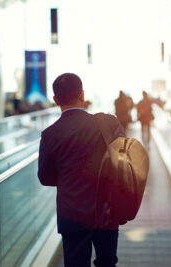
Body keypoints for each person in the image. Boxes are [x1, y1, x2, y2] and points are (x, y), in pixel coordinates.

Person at [38, 73, 125, 267]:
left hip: (72, 213)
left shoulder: (50, 134)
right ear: (82, 95)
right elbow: (123, 161)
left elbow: (44, 177)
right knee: (107, 263)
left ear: (55, 100)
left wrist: (69, 177)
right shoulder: (108, 124)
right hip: (106, 210)